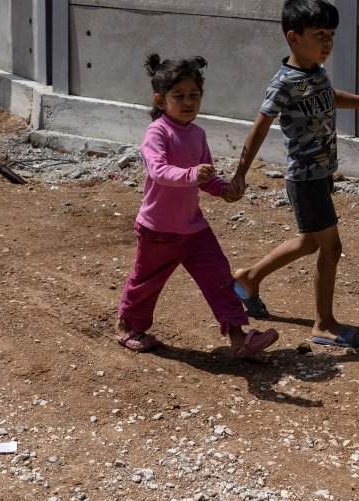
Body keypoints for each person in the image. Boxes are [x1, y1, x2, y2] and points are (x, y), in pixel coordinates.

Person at [228, 0, 359, 348]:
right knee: (330, 248)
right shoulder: (283, 82)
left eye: (331, 34)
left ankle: (249, 277)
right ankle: (324, 325)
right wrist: (241, 172)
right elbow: (260, 125)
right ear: (293, 37)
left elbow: (329, 96)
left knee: (308, 242)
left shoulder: (314, 73)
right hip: (305, 177)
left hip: (322, 174)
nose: (328, 42)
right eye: (320, 35)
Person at [115, 53, 280, 360]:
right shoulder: (157, 132)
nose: (188, 102)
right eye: (179, 96)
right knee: (146, 283)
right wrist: (191, 174)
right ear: (161, 101)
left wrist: (225, 190)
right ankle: (127, 327)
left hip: (194, 229)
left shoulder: (198, 134)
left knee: (219, 278)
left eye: (194, 95)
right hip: (158, 231)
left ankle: (238, 337)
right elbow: (158, 171)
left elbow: (205, 178)